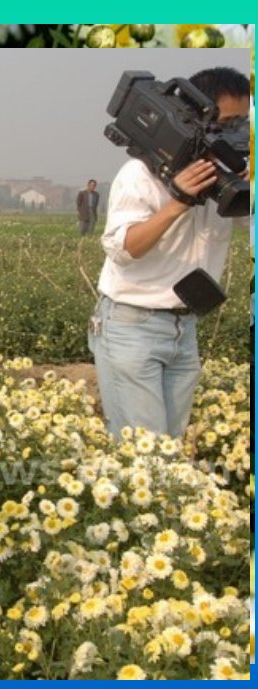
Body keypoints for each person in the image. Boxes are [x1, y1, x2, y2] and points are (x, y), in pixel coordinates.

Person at [88, 66, 249, 439]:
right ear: (199, 119)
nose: (238, 134)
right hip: (132, 325)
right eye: (228, 123)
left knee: (169, 449)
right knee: (146, 454)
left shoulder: (229, 178)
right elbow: (124, 248)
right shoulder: (140, 174)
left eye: (244, 122)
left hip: (184, 327)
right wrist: (177, 200)